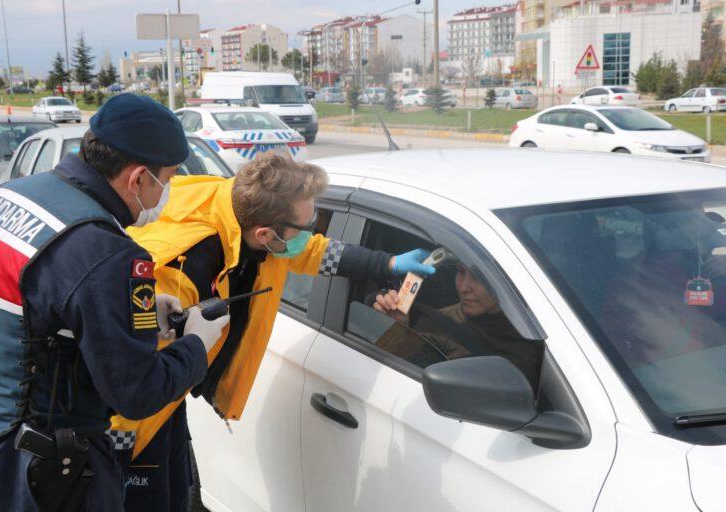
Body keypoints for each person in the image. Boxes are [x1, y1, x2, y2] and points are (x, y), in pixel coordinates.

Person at [110, 152, 436, 511]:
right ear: (265, 234)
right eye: (304, 225)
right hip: (130, 424)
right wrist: (117, 450)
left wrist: (386, 263)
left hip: (169, 402)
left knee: (176, 493)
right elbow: (127, 377)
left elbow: (304, 251)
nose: (309, 233)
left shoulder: (238, 212)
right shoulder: (183, 269)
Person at [0, 93, 229, 512]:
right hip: (42, 473)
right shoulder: (106, 251)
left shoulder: (4, 197)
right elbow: (136, 393)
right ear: (138, 177)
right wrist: (196, 345)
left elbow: (28, 305)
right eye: (169, 178)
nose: (168, 191)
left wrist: (129, 309)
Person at [372, 262, 543, 389]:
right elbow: (384, 376)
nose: (463, 287)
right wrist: (399, 330)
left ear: (506, 281)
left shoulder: (540, 326)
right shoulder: (439, 325)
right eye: (460, 271)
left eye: (479, 277)